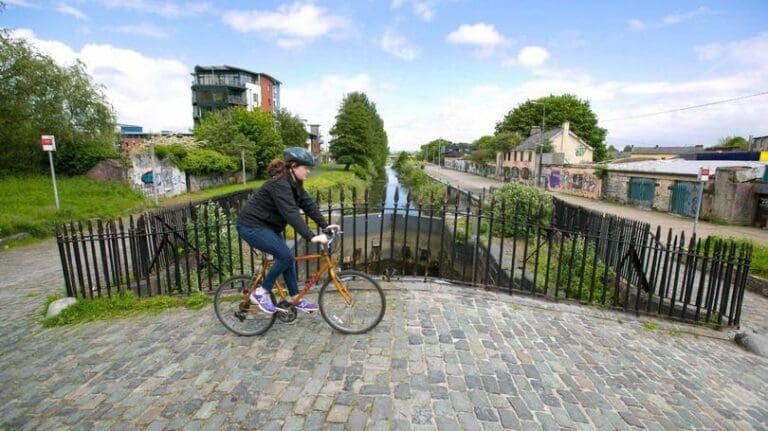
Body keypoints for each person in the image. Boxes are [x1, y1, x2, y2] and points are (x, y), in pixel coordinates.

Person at [236, 147, 339, 314]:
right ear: (294, 166)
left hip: (268, 227)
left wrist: (324, 225)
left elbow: (307, 204)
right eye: (306, 168)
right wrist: (311, 237)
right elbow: (291, 212)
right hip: (251, 226)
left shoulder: (294, 183)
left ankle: (294, 298)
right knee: (285, 255)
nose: (308, 171)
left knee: (287, 258)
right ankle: (261, 293)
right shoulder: (280, 184)